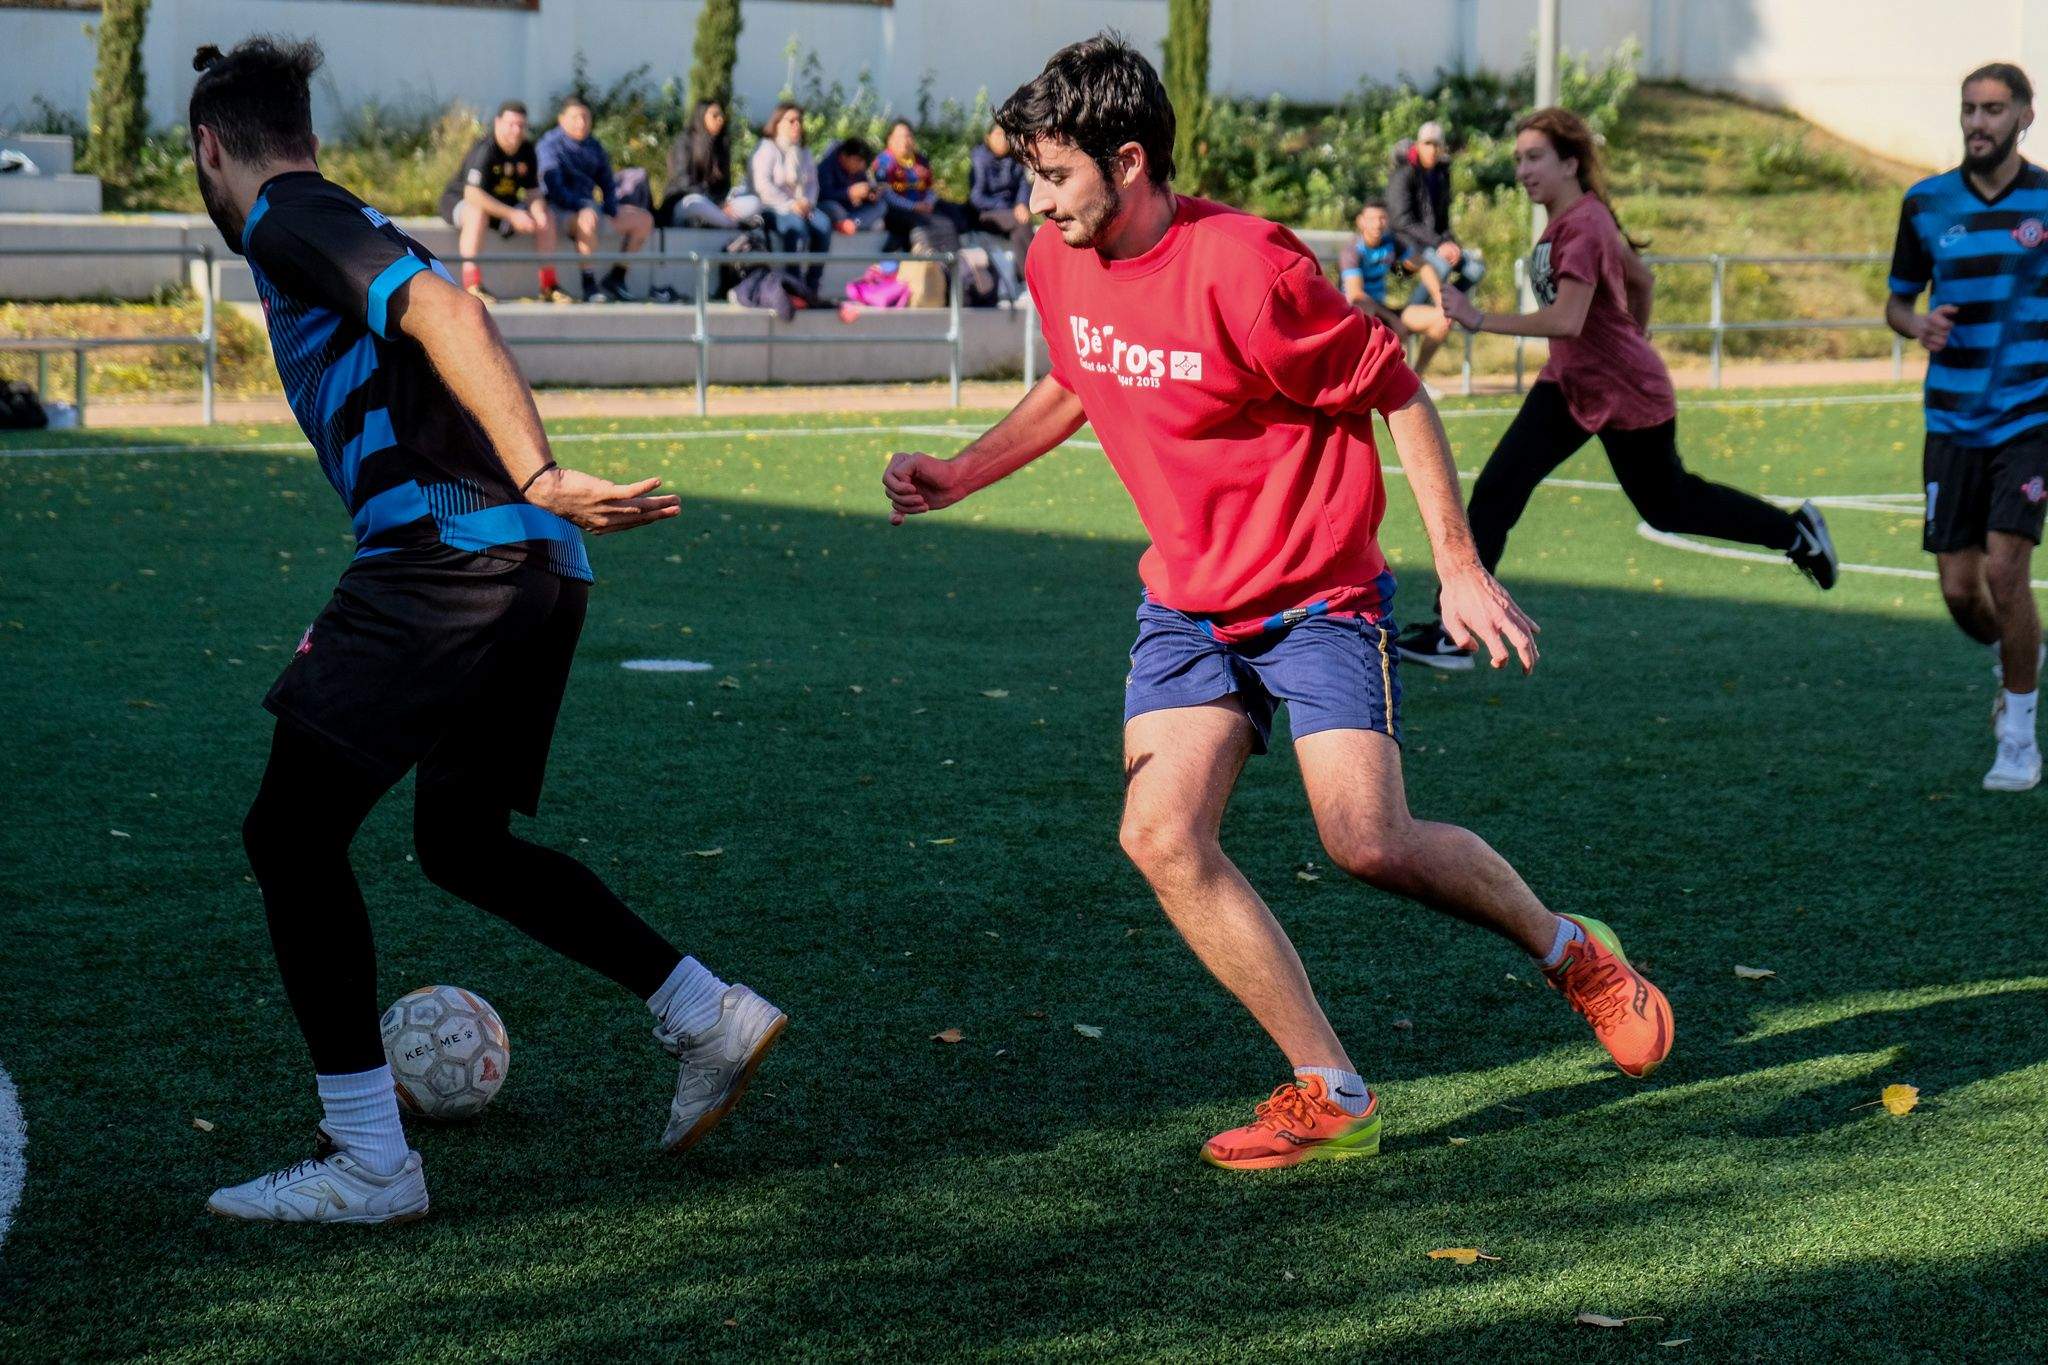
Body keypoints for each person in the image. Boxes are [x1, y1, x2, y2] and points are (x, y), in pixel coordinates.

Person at [882, 35, 1674, 1171]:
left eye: (1052, 176)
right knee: (1158, 835)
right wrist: (962, 473)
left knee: (1367, 840)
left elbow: (1399, 392)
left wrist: (1457, 565)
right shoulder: (1060, 257)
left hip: (1316, 595)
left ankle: (1570, 952)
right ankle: (1331, 1088)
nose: (1034, 202)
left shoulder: (1249, 270)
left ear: (1129, 161)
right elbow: (1075, 378)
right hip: (1186, 605)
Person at [186, 37, 786, 1224]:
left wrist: (540, 469)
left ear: (211, 146)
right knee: (459, 841)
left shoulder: (284, 217)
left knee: (289, 835)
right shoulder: (341, 212)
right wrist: (535, 495)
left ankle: (369, 1159)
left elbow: (447, 308)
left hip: (448, 553)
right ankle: (702, 1011)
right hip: (530, 559)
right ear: (306, 129)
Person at [1397, 108, 1840, 671]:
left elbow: (1567, 320)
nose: (1523, 170)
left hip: (1625, 393)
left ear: (1570, 163)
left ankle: (1796, 533)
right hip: (1570, 384)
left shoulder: (1583, 226)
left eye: (1535, 158)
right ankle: (1453, 633)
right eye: (1518, 159)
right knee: (1499, 490)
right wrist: (1634, 334)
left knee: (1669, 506)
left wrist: (1480, 319)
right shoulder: (1580, 218)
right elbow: (1641, 281)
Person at [1889, 61, 2048, 792]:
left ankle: (2018, 738)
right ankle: (2018, 650)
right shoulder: (1926, 202)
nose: (1978, 123)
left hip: (2030, 415)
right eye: (1969, 110)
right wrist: (1917, 324)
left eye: (1992, 109)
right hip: (1951, 418)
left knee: (2007, 571)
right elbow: (1898, 301)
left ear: (2024, 116)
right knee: (1960, 590)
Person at [437, 100, 569, 305]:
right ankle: (472, 285)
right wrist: (513, 215)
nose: (516, 131)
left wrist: (538, 212)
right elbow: (473, 195)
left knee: (547, 217)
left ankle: (549, 285)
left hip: (502, 206)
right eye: (511, 124)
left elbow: (533, 192)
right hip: (460, 202)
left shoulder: (526, 150)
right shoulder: (486, 148)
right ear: (498, 123)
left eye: (521, 125)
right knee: (477, 214)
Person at [1386, 120, 1484, 377]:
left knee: (1475, 269)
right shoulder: (1404, 174)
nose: (1431, 149)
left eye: (1436, 145)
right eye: (1427, 144)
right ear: (1418, 145)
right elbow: (1401, 221)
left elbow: (1442, 221)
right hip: (1403, 252)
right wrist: (1439, 244)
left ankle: (1447, 307)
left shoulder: (1441, 174)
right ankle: (1414, 315)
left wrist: (1451, 244)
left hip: (1433, 244)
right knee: (1438, 265)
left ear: (1442, 148)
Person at [536, 97, 653, 303]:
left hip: (590, 207)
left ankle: (617, 277)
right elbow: (554, 189)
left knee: (643, 220)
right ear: (562, 119)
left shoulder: (593, 145)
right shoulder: (549, 146)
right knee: (587, 220)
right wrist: (582, 206)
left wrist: (611, 205)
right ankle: (589, 284)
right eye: (575, 117)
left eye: (586, 117)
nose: (581, 123)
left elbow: (607, 180)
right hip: (560, 210)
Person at [1339, 200, 1451, 366]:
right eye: (1371, 219)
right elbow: (1356, 295)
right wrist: (1392, 319)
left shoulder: (1392, 243)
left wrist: (1441, 303)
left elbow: (1423, 266)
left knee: (1442, 319)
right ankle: (1361, 374)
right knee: (1364, 309)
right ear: (1361, 221)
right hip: (1357, 314)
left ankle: (1417, 376)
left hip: (1383, 310)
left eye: (1382, 218)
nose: (1377, 224)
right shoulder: (1352, 251)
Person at [749, 102, 831, 292]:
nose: (797, 125)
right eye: (791, 121)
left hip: (803, 207)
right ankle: (793, 285)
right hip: (774, 208)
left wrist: (807, 202)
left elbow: (812, 184)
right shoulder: (767, 149)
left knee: (824, 224)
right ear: (777, 123)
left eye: (799, 121)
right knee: (797, 227)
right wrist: (790, 204)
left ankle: (812, 285)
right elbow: (762, 186)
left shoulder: (804, 152)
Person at [658, 99, 761, 230]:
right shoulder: (684, 142)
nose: (720, 120)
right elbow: (683, 181)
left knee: (754, 202)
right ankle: (734, 226)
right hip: (686, 201)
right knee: (698, 203)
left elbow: (724, 186)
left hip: (716, 204)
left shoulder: (721, 145)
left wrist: (722, 202)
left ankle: (716, 221)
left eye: (721, 115)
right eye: (715, 115)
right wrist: (713, 202)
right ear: (701, 116)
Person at [873, 120, 969, 252]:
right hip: (897, 210)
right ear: (890, 140)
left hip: (922, 206)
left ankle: (957, 252)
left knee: (954, 212)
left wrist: (928, 203)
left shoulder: (920, 160)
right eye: (900, 137)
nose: (905, 141)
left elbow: (930, 189)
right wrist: (913, 206)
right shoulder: (884, 162)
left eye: (908, 136)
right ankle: (923, 251)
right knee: (927, 222)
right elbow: (887, 195)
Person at [969, 123, 1036, 271]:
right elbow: (976, 197)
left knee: (1020, 227)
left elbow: (1023, 184)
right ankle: (1033, 272)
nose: (1003, 139)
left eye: (1006, 135)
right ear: (988, 138)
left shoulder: (1014, 158)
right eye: (998, 135)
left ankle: (1027, 273)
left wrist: (1021, 203)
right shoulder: (980, 160)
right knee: (1020, 222)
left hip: (1011, 212)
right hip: (987, 213)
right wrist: (1006, 207)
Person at [818, 136, 884, 233]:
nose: (861, 166)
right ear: (844, 156)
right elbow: (824, 195)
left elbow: (865, 188)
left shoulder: (860, 169)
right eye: (858, 160)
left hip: (852, 212)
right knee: (834, 209)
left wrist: (870, 195)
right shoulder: (826, 166)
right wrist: (848, 193)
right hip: (834, 207)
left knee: (881, 205)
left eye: (863, 162)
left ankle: (852, 224)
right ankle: (855, 223)